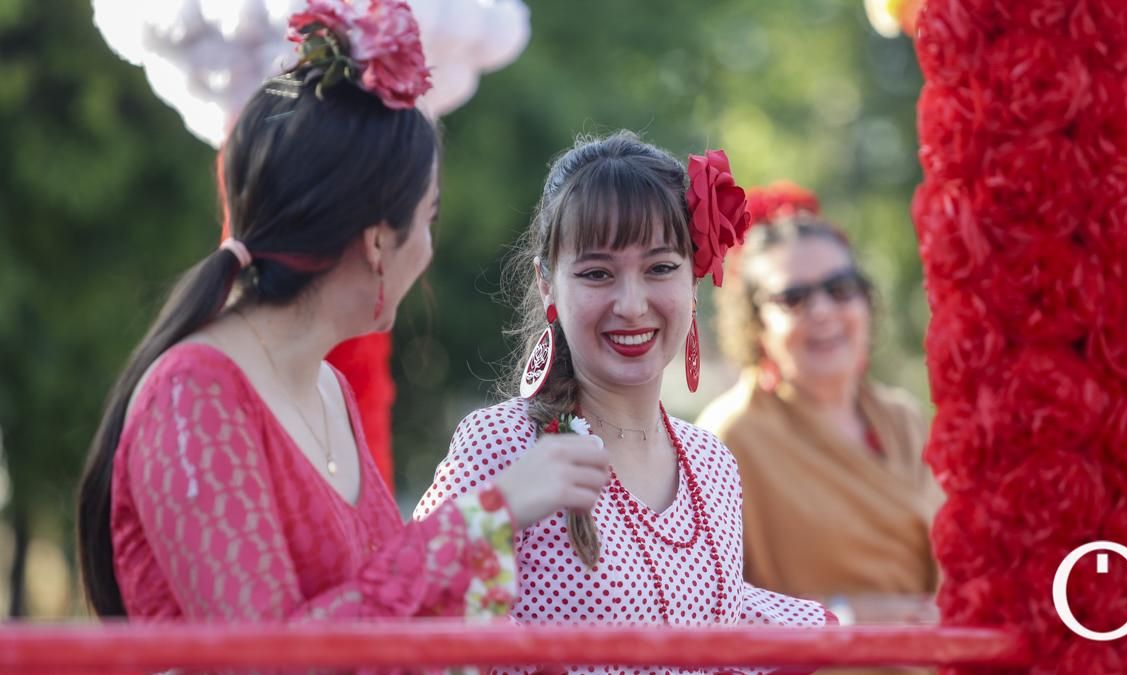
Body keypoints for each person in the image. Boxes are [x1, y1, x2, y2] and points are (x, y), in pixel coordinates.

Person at [75, 0, 608, 644]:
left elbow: (379, 607)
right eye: (428, 219)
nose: (430, 250)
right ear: (378, 240)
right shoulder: (194, 392)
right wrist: (488, 517)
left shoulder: (326, 385)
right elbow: (267, 657)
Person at [415, 132, 832, 674]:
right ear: (548, 285)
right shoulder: (503, 444)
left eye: (660, 267)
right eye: (596, 274)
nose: (631, 305)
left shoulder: (713, 464)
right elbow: (420, 613)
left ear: (694, 276)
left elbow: (718, 625)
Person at [695, 182, 941, 646]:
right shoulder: (729, 437)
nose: (823, 311)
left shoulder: (903, 419)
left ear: (866, 302)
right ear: (756, 325)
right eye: (794, 298)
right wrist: (844, 616)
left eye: (840, 289)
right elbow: (703, 610)